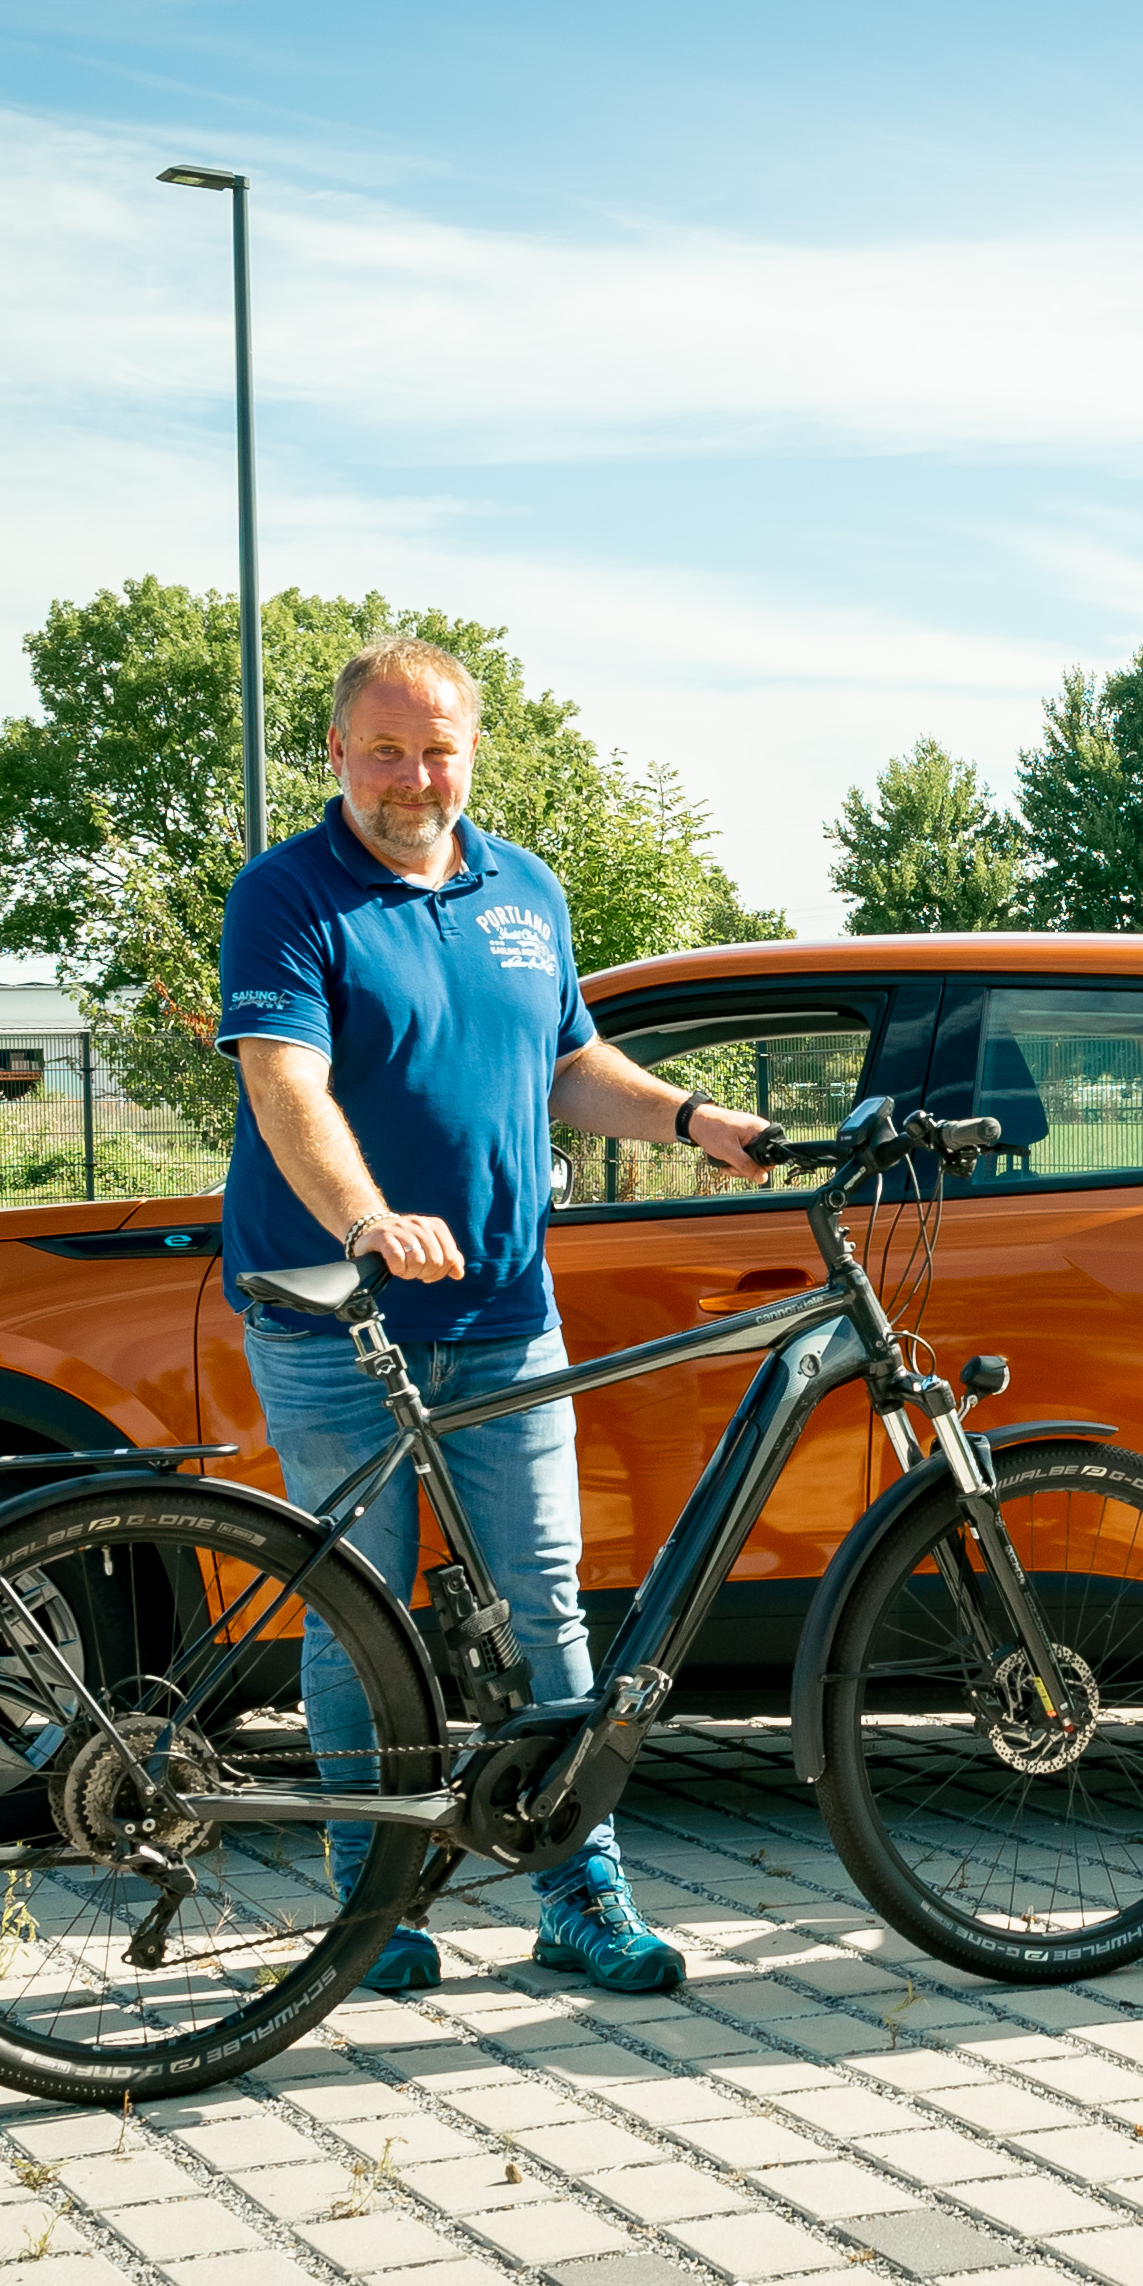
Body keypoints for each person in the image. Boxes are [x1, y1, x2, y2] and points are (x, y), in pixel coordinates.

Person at [217, 635, 769, 1996]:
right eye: (388, 750)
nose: (417, 776)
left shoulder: (525, 888)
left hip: (507, 1305)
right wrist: (365, 1219)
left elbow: (571, 1062)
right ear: (340, 756)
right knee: (363, 1612)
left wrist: (695, 1119)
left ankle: (580, 1894)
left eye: (440, 747)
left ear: (473, 750)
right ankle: (372, 1905)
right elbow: (286, 1083)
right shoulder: (288, 894)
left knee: (545, 1607)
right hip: (340, 1314)